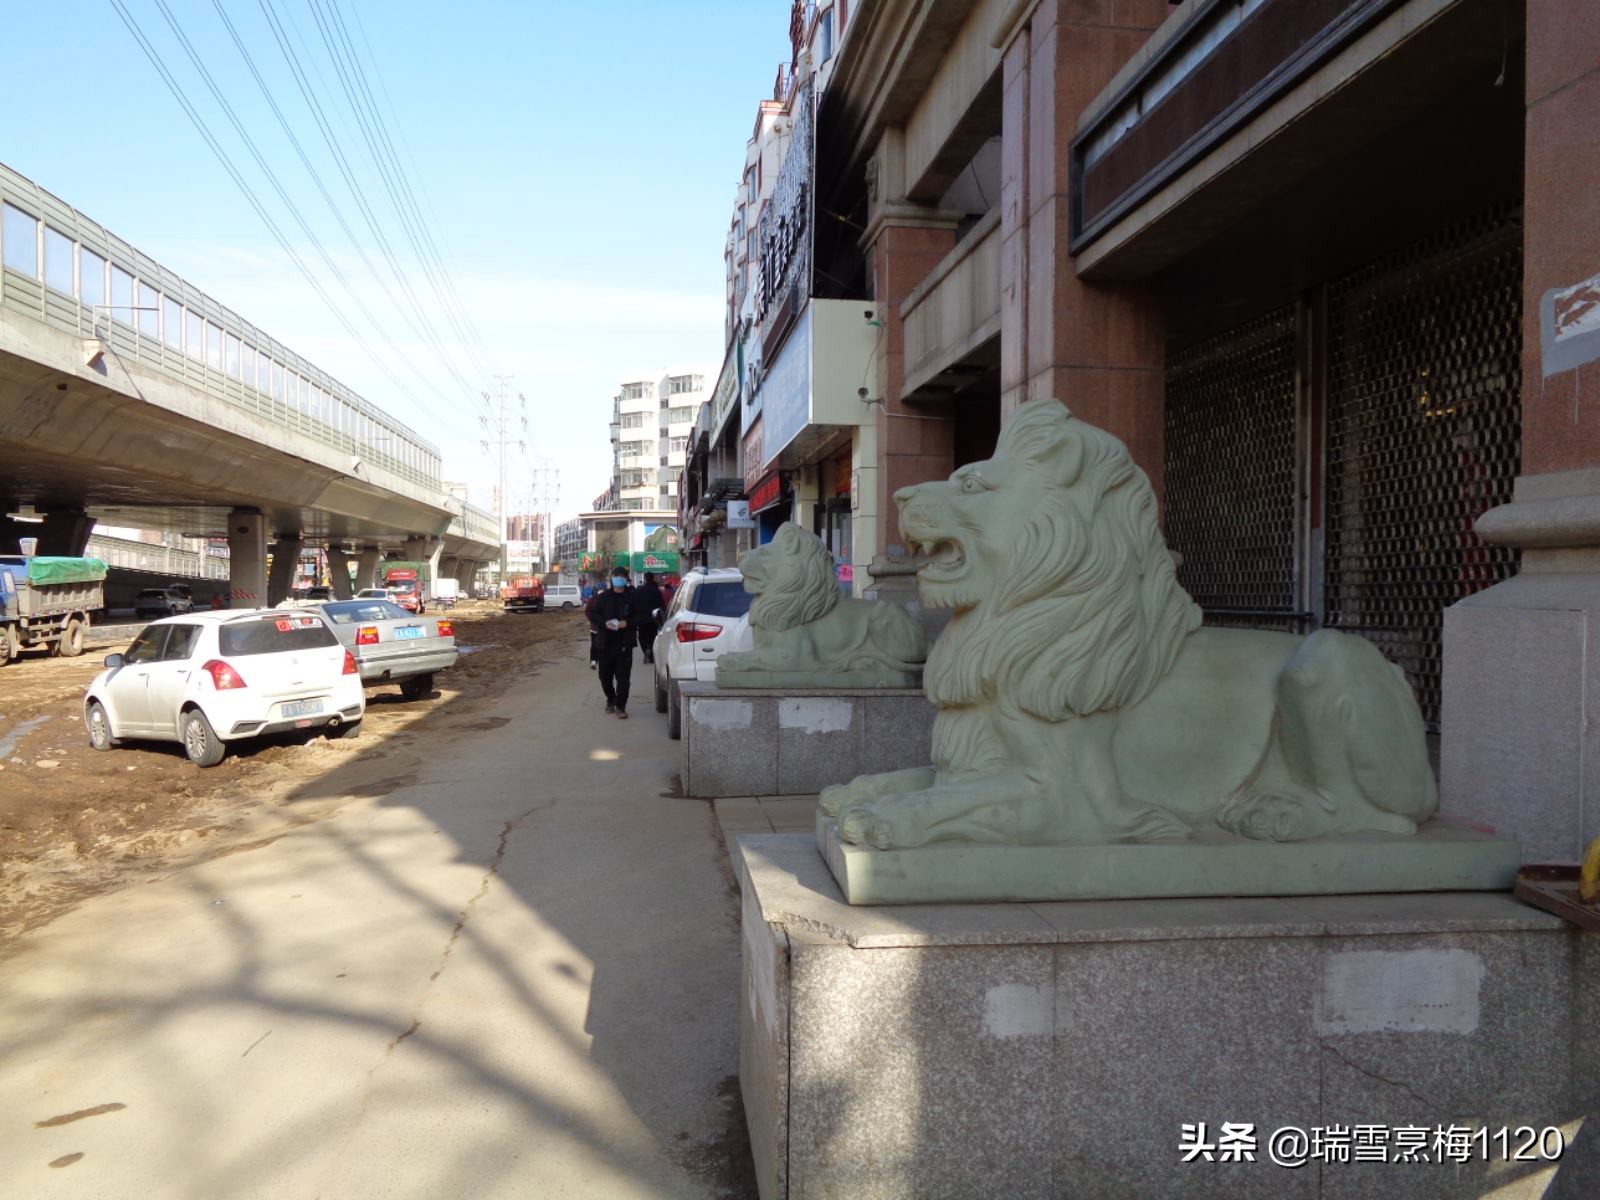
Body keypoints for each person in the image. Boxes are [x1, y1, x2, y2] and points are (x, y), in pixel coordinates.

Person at [590, 567, 636, 717]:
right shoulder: (603, 597)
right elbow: (590, 612)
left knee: (623, 678)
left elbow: (641, 616)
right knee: (605, 677)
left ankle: (620, 707)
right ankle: (611, 698)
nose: (619, 579)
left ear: (626, 579)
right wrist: (604, 623)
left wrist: (628, 623)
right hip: (605, 643)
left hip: (624, 644)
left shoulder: (632, 597)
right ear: (612, 578)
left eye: (622, 576)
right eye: (616, 576)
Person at [634, 572, 665, 664]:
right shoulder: (656, 591)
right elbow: (661, 605)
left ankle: (645, 650)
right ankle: (651, 651)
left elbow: (634, 604)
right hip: (653, 618)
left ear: (645, 579)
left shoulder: (639, 590)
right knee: (652, 636)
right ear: (653, 578)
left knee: (642, 636)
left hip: (641, 619)